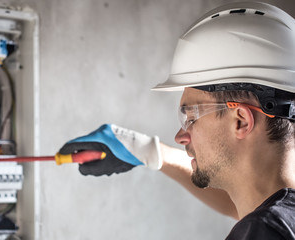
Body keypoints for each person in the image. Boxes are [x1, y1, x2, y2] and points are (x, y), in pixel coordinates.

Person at [58, 2, 295, 239]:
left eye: (191, 117)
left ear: (241, 121)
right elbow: (242, 207)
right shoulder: (277, 221)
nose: (180, 136)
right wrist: (152, 152)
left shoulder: (264, 230)